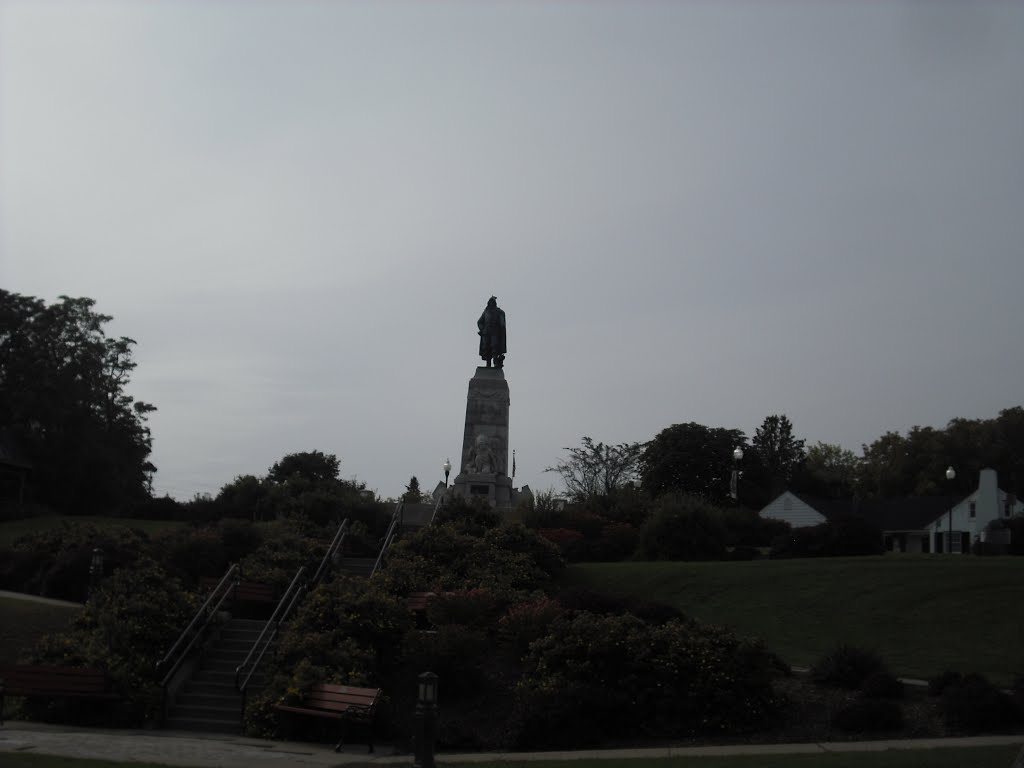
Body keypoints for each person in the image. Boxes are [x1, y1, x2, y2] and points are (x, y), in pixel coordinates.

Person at [477, 296, 506, 368]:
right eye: (490, 302)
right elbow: (479, 322)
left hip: (495, 331)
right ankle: (488, 364)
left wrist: (501, 330)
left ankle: (496, 363)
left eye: (492, 302)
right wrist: (482, 329)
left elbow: (502, 324)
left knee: (494, 346)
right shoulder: (486, 312)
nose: (491, 304)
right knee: (486, 347)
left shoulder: (499, 312)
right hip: (486, 332)